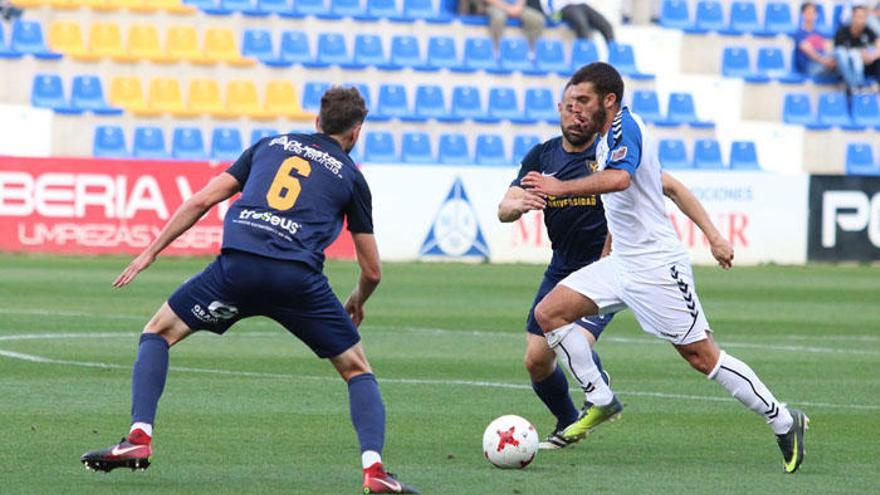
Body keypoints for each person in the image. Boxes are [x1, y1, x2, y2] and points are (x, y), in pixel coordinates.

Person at [79, 87, 419, 494]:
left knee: (158, 332)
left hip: (237, 268)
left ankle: (138, 438)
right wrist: (356, 300)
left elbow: (202, 200)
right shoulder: (351, 177)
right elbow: (373, 270)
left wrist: (150, 253)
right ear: (356, 131)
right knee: (357, 369)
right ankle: (375, 470)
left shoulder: (269, 145)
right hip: (297, 280)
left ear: (317, 121)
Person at [521, 62, 809, 474]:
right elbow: (649, 191)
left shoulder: (625, 129)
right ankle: (600, 398)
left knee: (702, 356)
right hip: (622, 264)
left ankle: (784, 420)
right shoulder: (605, 141)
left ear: (609, 100)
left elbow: (620, 181)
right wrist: (615, 244)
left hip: (657, 267)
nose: (576, 110)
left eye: (584, 101)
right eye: (570, 102)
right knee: (549, 313)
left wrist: (560, 187)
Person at [498, 83, 734, 449]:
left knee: (574, 340)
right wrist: (517, 205)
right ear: (559, 108)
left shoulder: (611, 151)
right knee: (536, 361)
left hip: (609, 265)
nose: (576, 116)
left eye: (582, 109)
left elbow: (672, 188)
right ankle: (570, 420)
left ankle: (598, 393)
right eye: (569, 108)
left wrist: (714, 236)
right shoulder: (542, 156)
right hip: (562, 267)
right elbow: (505, 206)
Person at [833, 5, 880, 92]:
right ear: (852, 17)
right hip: (846, 69)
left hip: (864, 68)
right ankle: (855, 85)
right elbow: (838, 56)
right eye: (858, 16)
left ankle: (856, 86)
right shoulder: (842, 32)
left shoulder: (868, 31)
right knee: (844, 54)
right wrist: (857, 53)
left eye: (863, 17)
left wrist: (872, 56)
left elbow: (878, 45)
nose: (860, 20)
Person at [793, 2, 838, 78]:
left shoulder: (819, 34)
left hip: (824, 64)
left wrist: (830, 60)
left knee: (840, 56)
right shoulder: (799, 34)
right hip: (809, 67)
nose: (811, 15)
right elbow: (809, 51)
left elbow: (828, 48)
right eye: (808, 12)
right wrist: (825, 61)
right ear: (802, 14)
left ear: (816, 15)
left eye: (813, 12)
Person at [548, 0, 615, 44]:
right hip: (565, 7)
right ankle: (584, 56)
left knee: (606, 26)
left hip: (583, 5)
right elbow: (552, 11)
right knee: (582, 25)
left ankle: (614, 56)